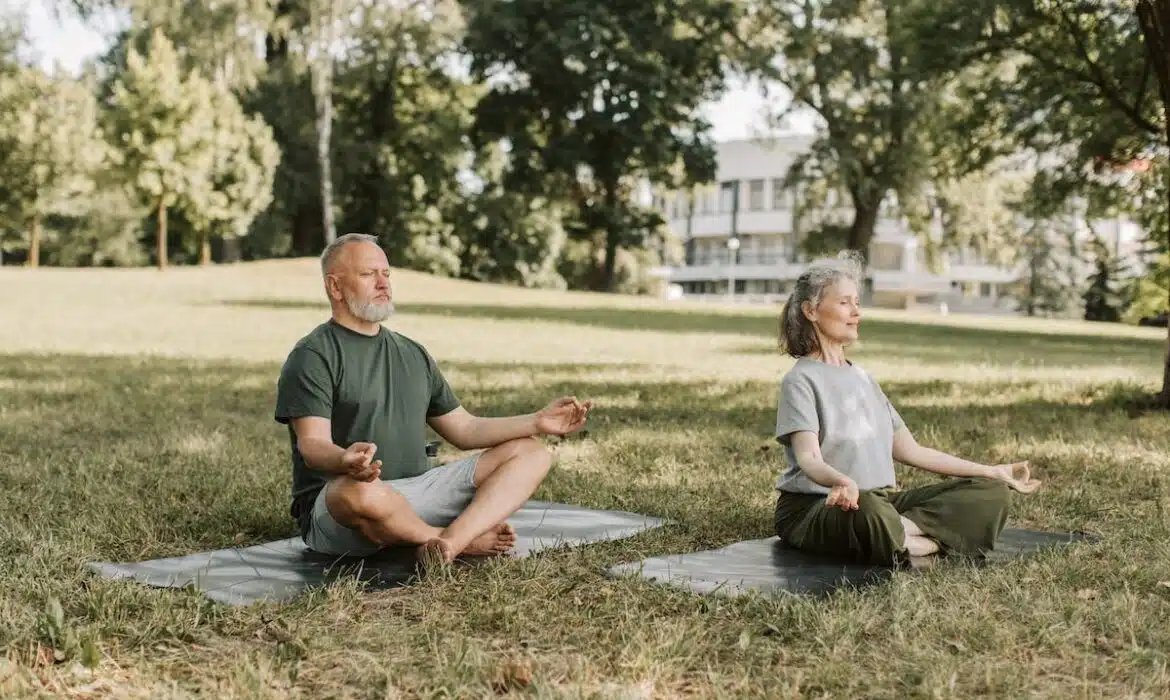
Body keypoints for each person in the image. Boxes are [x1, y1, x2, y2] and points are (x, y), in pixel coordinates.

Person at [274, 233, 592, 567]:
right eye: (368, 274)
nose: (383, 283)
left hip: (417, 493)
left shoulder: (412, 353)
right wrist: (345, 460)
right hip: (346, 507)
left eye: (386, 273)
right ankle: (454, 538)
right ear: (335, 287)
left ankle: (449, 543)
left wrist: (536, 421)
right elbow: (312, 446)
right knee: (356, 492)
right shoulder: (313, 355)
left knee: (531, 453)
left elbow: (464, 429)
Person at [772, 252, 1041, 567]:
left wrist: (990, 471)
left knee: (991, 493)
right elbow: (809, 459)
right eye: (845, 302)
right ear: (811, 310)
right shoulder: (800, 380)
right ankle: (931, 539)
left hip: (877, 504)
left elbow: (912, 451)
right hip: (818, 508)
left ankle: (900, 538)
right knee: (869, 512)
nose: (856, 312)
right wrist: (842, 482)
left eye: (857, 302)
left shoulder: (864, 379)